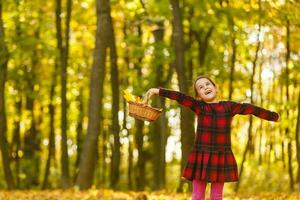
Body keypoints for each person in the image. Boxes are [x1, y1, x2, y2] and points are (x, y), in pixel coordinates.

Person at [143, 75, 279, 200]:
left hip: (221, 156)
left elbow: (251, 109)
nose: (205, 87)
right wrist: (158, 91)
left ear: (215, 87)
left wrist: (273, 116)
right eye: (200, 87)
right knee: (197, 196)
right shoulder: (199, 106)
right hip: (201, 155)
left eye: (208, 84)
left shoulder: (229, 106)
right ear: (198, 96)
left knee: (216, 196)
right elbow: (180, 97)